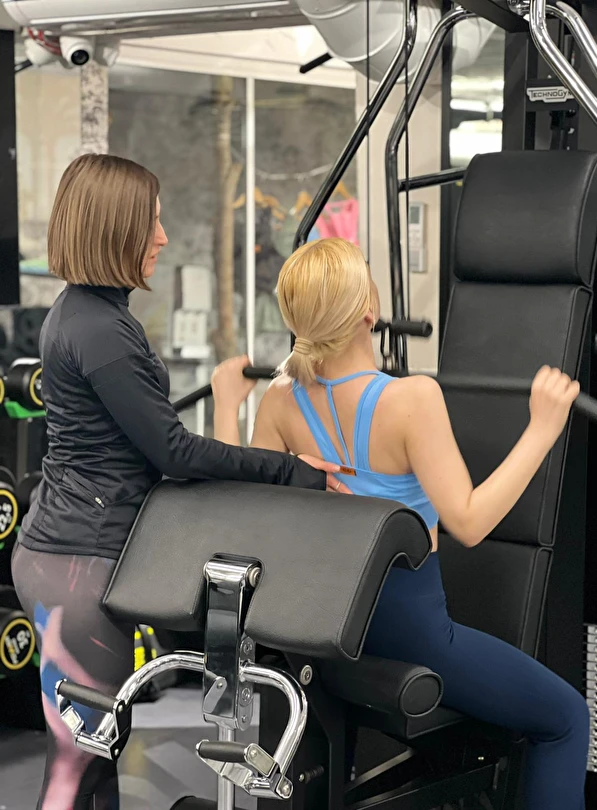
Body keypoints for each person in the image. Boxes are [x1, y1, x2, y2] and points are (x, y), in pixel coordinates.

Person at [10, 154, 350, 810]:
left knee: (92, 754)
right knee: (79, 764)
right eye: (152, 225)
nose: (162, 239)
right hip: (76, 565)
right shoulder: (101, 330)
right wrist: (291, 471)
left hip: (66, 550)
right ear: (115, 231)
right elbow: (172, 450)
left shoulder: (84, 312)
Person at [211, 236, 589, 810]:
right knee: (566, 719)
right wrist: (543, 427)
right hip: (412, 636)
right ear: (368, 310)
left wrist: (224, 404)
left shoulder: (280, 401)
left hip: (324, 640)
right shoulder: (412, 399)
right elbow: (469, 522)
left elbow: (243, 516)